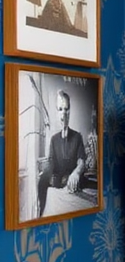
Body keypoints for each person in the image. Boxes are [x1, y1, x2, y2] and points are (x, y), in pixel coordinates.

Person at [37, 89, 86, 218]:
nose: (63, 113)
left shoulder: (77, 137)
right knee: (42, 182)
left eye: (66, 109)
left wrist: (76, 173)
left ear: (70, 111)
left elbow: (82, 161)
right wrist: (45, 175)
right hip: (59, 183)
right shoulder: (54, 139)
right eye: (60, 109)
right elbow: (51, 163)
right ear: (57, 112)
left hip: (74, 185)